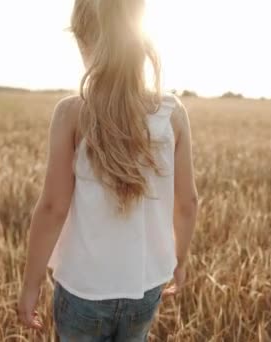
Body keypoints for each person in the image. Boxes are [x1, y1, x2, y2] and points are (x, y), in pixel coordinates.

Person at [16, 0, 199, 340]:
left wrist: (31, 284)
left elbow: (53, 207)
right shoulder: (173, 115)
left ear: (84, 41)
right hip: (145, 289)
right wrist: (179, 260)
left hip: (83, 291)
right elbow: (187, 203)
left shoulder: (72, 113)